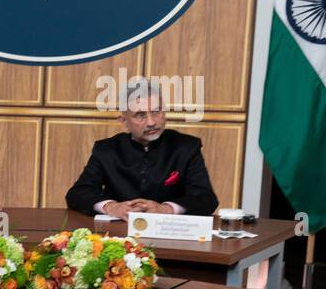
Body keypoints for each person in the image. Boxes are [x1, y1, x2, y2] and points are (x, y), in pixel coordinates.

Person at [65, 76, 218, 218]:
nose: (151, 122)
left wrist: (167, 209)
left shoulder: (186, 147)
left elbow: (206, 198)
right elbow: (78, 193)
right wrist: (110, 207)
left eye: (156, 112)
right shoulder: (106, 149)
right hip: (119, 232)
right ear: (124, 121)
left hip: (168, 231)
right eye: (141, 115)